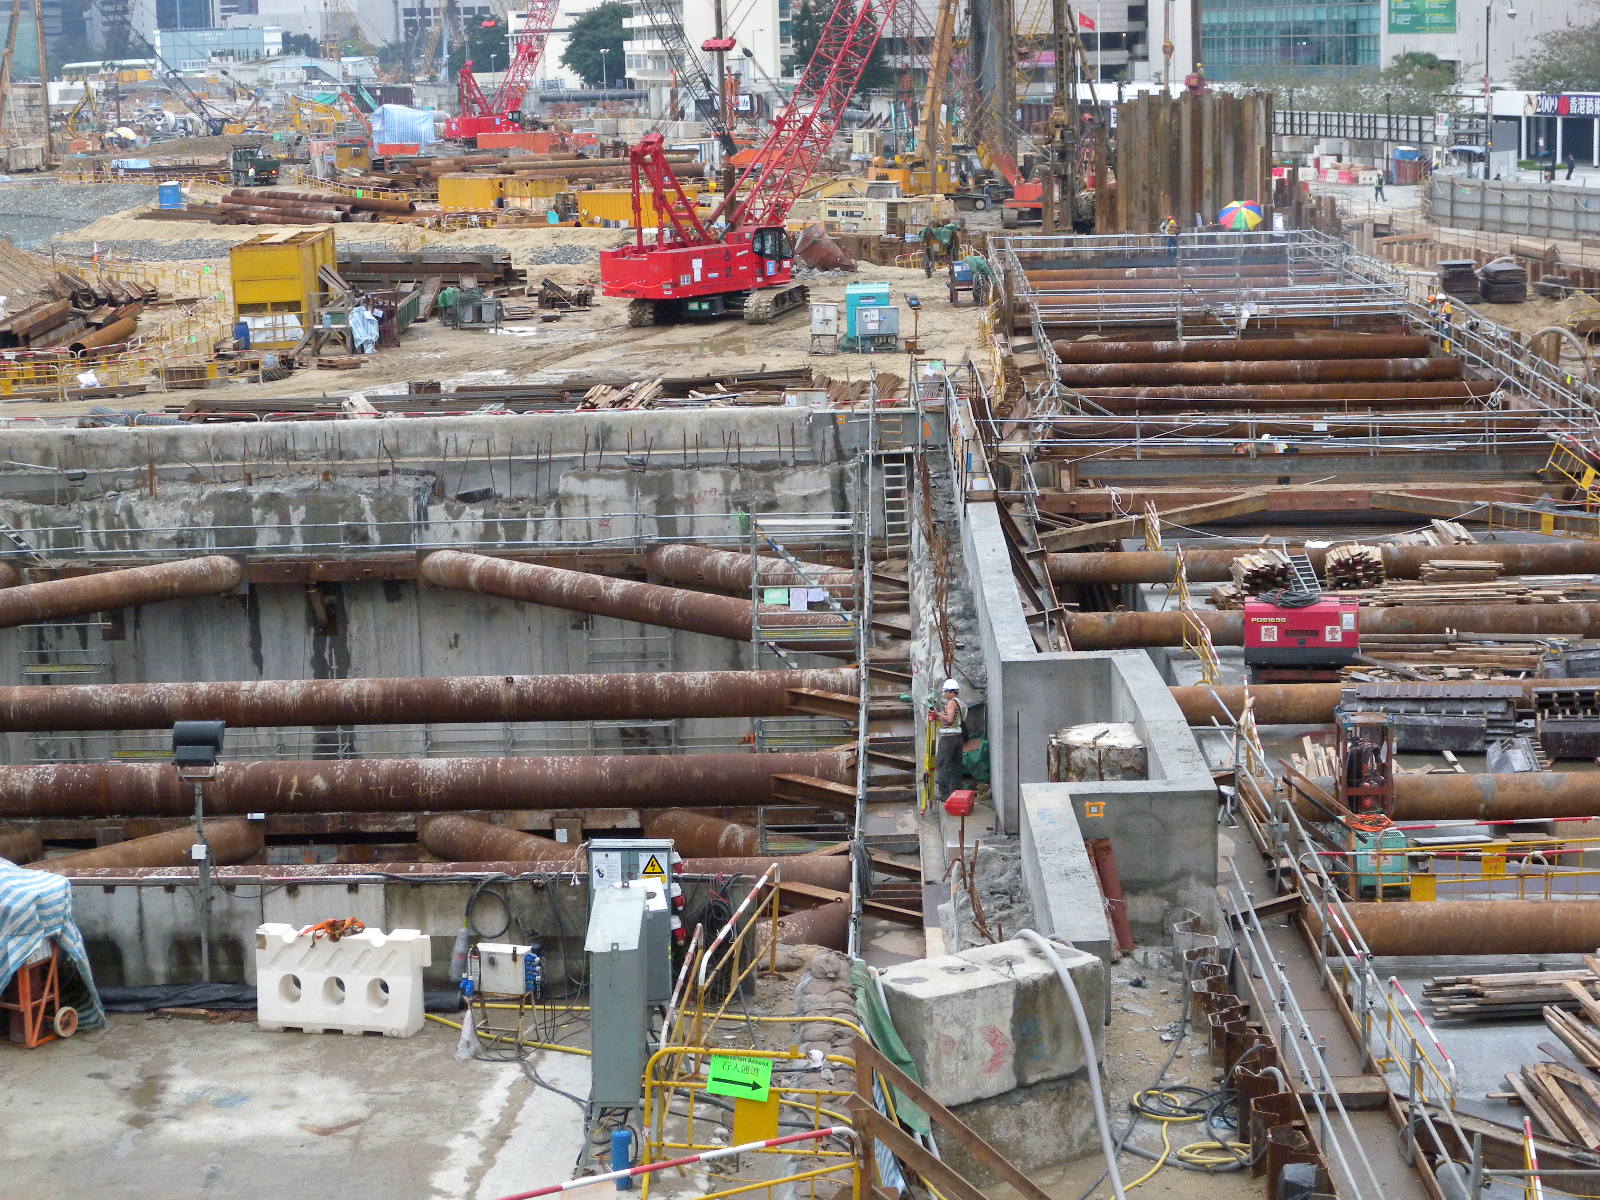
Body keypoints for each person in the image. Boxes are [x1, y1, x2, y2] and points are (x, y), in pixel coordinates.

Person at [931, 679, 967, 805]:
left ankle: (945, 794)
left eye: (945, 692)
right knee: (956, 765)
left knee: (942, 764)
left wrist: (937, 715)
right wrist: (940, 714)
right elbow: (954, 718)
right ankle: (956, 792)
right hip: (958, 738)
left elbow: (950, 719)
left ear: (951, 692)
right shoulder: (960, 702)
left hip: (948, 738)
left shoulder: (951, 702)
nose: (944, 694)